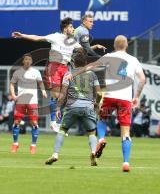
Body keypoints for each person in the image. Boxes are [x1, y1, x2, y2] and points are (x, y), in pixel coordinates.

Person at [64, 35, 146, 172]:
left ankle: (101, 138)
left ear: (114, 46)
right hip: (125, 100)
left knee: (102, 119)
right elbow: (142, 79)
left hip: (110, 97)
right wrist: (136, 96)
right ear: (126, 46)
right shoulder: (134, 60)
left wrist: (75, 73)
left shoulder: (109, 56)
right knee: (125, 133)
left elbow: (91, 66)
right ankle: (125, 162)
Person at [12, 18, 81, 133]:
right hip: (53, 68)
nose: (73, 29)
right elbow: (38, 38)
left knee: (64, 97)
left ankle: (58, 122)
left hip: (65, 68)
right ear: (65, 28)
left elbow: (83, 50)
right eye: (71, 27)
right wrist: (22, 35)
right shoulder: (55, 36)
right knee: (56, 95)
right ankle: (53, 122)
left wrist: (94, 48)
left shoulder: (73, 41)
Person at [45, 50, 102, 166]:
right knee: (92, 132)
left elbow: (63, 94)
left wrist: (58, 108)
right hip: (88, 107)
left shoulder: (68, 74)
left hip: (72, 107)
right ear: (85, 63)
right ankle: (92, 152)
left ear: (74, 63)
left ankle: (55, 154)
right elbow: (99, 93)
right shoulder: (92, 74)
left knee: (62, 130)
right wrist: (96, 104)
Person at [10, 53, 47, 154]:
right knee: (16, 122)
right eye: (26, 59)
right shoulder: (17, 72)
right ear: (23, 61)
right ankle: (15, 144)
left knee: (34, 123)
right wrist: (13, 95)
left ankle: (33, 146)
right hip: (20, 101)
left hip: (33, 102)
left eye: (29, 60)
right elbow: (12, 84)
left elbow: (40, 82)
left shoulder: (36, 72)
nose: (27, 61)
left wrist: (43, 91)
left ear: (31, 61)